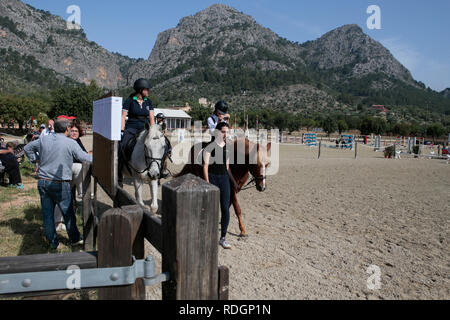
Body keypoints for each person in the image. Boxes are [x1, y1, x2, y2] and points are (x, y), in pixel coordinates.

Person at [24, 119, 92, 250]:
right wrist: (100, 159)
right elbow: (84, 157)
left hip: (43, 181)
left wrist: (35, 160)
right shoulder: (70, 143)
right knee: (68, 212)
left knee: (47, 213)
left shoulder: (44, 139)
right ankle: (75, 238)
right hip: (60, 183)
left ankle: (52, 242)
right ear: (67, 129)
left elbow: (27, 148)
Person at [203, 122, 240, 250]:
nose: (226, 134)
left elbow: (228, 167)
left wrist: (234, 182)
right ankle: (209, 236)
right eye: (223, 131)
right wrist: (207, 182)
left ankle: (223, 238)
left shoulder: (227, 147)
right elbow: (205, 166)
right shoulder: (209, 146)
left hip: (224, 179)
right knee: (211, 209)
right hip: (212, 178)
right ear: (218, 132)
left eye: (227, 132)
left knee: (225, 208)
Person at [53, 122, 90, 232]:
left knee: (69, 196)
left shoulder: (78, 142)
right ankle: (58, 222)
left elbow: (83, 155)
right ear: (68, 132)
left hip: (74, 173)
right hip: (66, 172)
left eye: (76, 131)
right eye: (72, 131)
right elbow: (81, 157)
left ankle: (82, 215)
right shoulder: (67, 142)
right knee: (62, 196)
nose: (74, 133)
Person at [119, 79, 155, 182]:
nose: (148, 91)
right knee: (122, 145)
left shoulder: (149, 102)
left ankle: (158, 170)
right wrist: (122, 131)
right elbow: (123, 117)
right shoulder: (129, 101)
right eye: (146, 89)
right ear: (140, 90)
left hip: (145, 129)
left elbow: (151, 118)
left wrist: (152, 131)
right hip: (131, 128)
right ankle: (119, 170)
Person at [155, 113, 172, 179]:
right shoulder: (156, 125)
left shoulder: (163, 124)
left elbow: (165, 132)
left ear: (162, 119)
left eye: (159, 118)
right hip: (157, 137)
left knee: (167, 141)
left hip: (162, 137)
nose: (158, 119)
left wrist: (163, 135)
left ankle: (169, 150)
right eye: (158, 118)